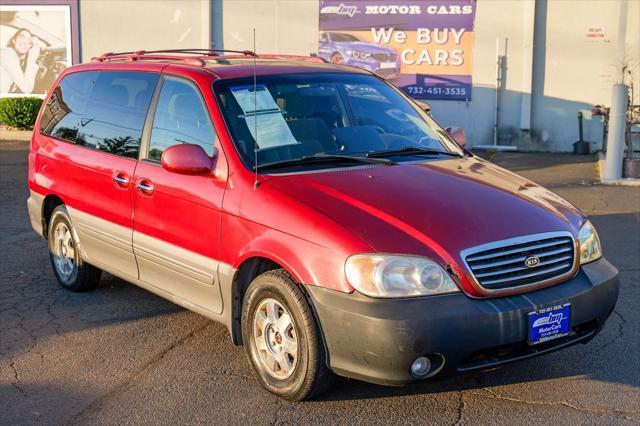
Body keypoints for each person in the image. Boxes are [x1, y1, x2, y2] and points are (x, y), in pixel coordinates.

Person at [1, 28, 44, 94]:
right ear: (13, 40)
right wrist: (31, 60)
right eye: (22, 37)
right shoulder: (8, 54)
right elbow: (27, 89)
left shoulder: (14, 58)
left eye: (29, 42)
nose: (25, 42)